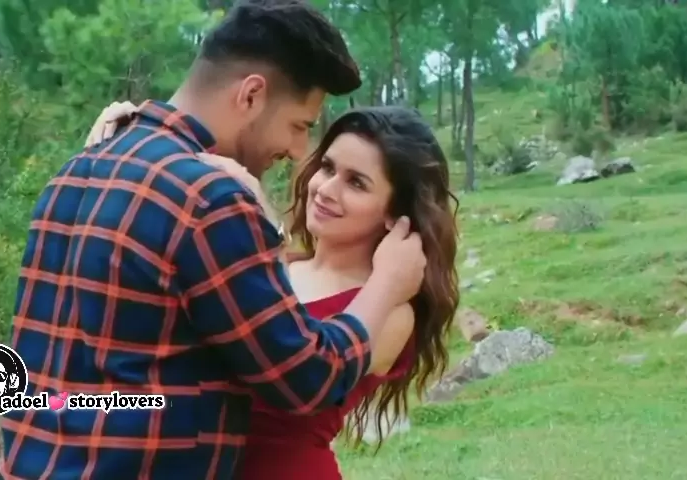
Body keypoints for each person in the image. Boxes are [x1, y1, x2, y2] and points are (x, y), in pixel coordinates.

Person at [0, 1, 427, 479]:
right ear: (251, 95)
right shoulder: (208, 200)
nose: (297, 151)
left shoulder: (78, 168)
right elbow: (306, 378)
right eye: (299, 126)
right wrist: (389, 283)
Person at [86, 104, 460, 479]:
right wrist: (119, 145)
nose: (326, 189)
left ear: (395, 214)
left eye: (356, 183)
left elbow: (299, 363)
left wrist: (260, 213)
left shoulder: (390, 309)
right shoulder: (280, 265)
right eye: (327, 168)